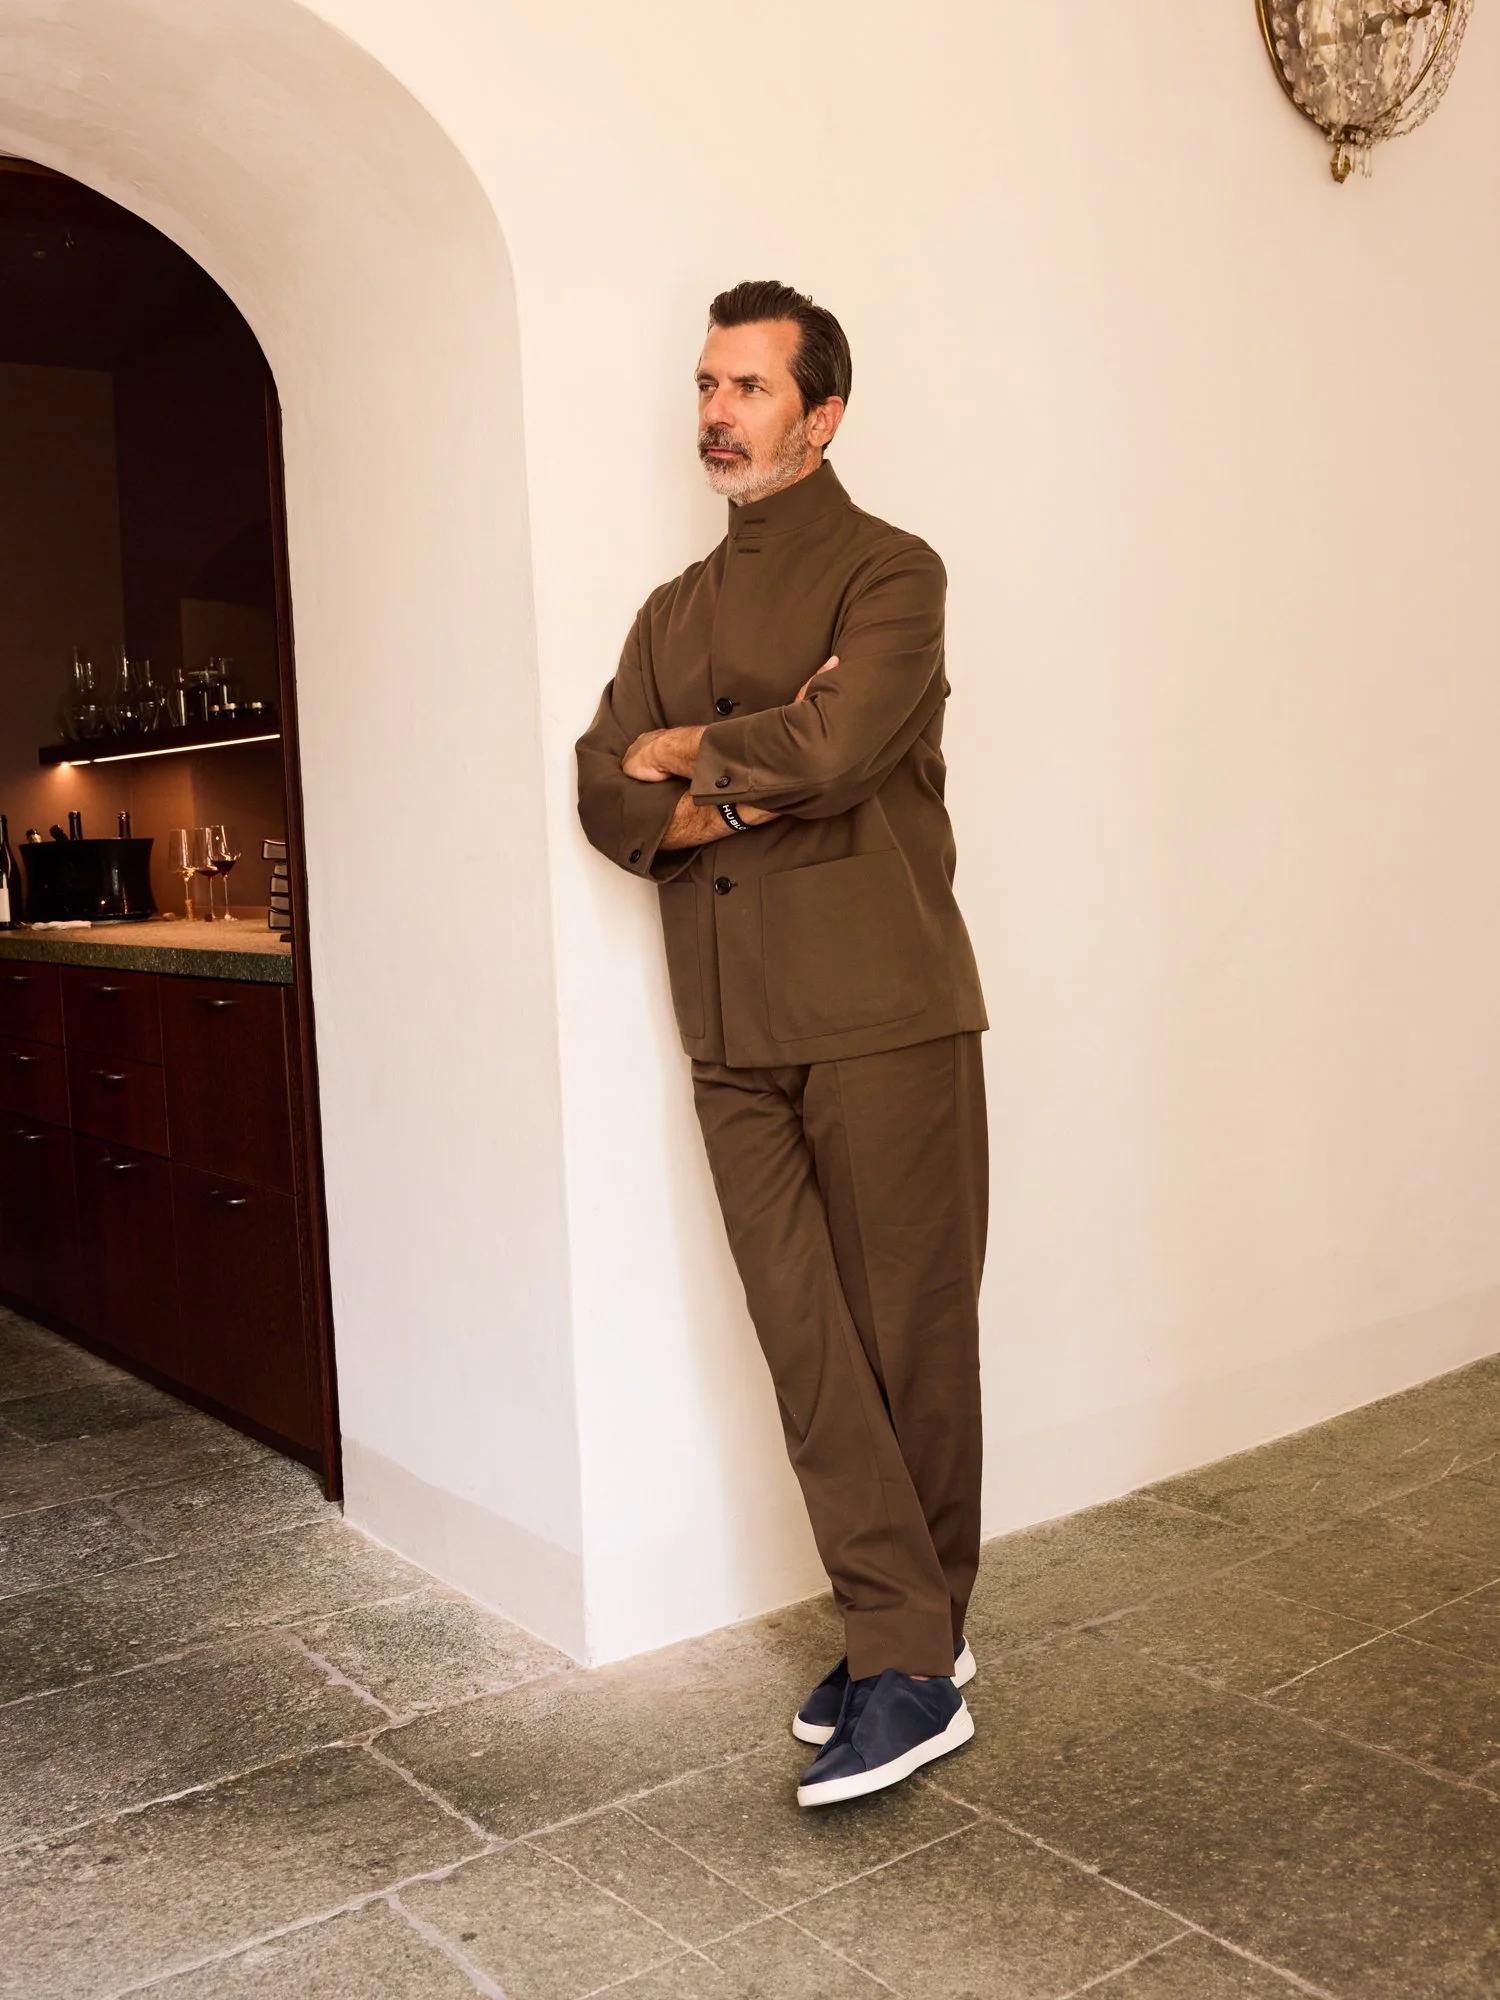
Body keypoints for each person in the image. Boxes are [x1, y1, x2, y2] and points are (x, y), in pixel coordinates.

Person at [575, 280, 988, 1807]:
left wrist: (686, 753)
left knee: (907, 1343)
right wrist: (748, 774)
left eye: (747, 388)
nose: (714, 413)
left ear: (822, 416)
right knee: (810, 1352)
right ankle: (906, 1633)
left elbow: (840, 743)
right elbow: (602, 795)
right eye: (706, 384)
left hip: (880, 1010)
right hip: (729, 1026)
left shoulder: (894, 573)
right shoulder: (669, 611)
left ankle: (911, 1657)